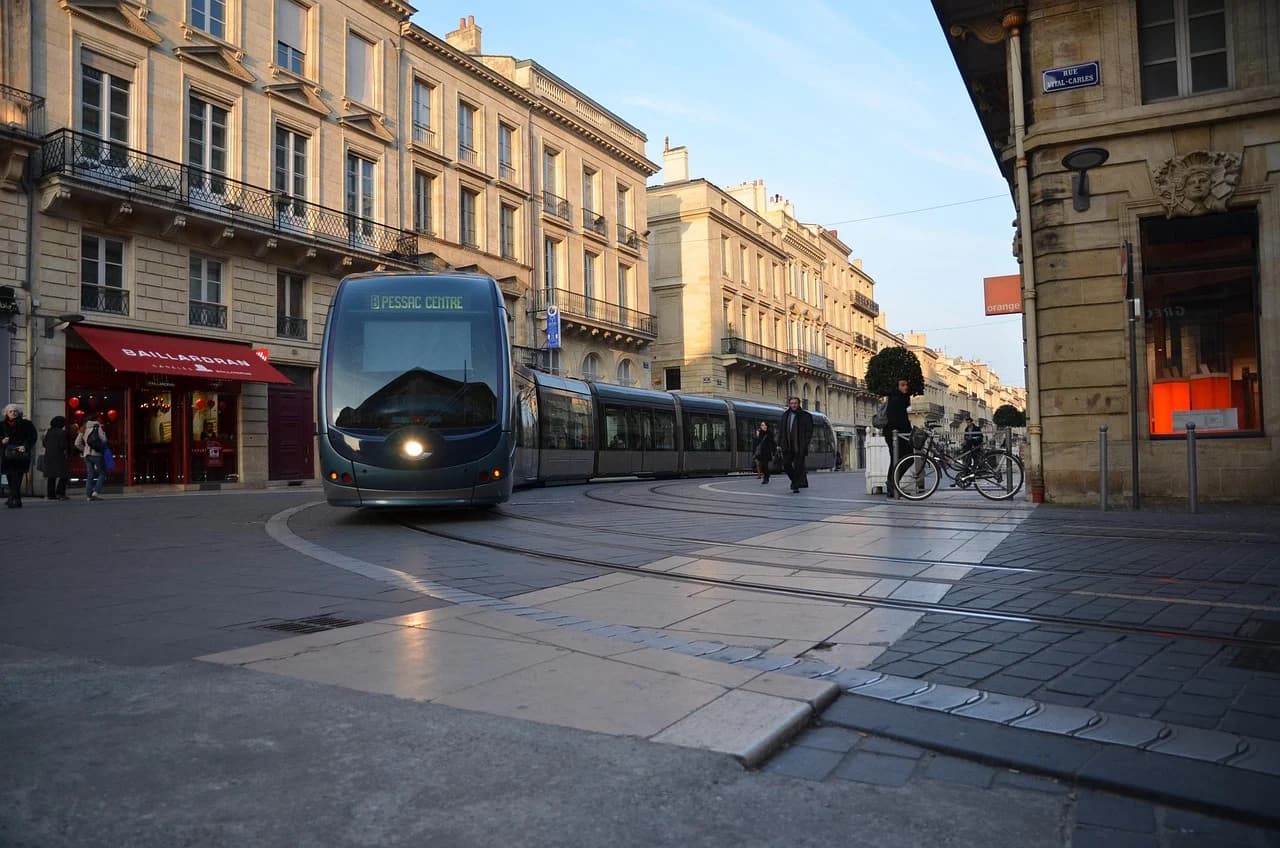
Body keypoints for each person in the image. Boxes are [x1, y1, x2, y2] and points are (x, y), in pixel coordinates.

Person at [1, 403, 38, 508]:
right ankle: (15, 498)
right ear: (6, 413)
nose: (13, 413)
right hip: (7, 455)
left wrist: (25, 446)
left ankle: (14, 499)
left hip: (21, 455)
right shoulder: (2, 425)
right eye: (11, 411)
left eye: (15, 411)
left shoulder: (26, 424)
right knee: (9, 477)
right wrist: (2, 441)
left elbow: (32, 437)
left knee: (17, 477)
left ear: (19, 412)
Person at [882, 378, 913, 498]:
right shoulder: (896, 399)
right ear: (897, 386)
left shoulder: (900, 398)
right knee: (904, 459)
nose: (906, 387)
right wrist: (907, 432)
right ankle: (892, 484)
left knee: (897, 460)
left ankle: (893, 484)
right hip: (895, 435)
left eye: (906, 385)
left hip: (898, 434)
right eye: (903, 385)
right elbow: (897, 420)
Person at [778, 397, 813, 494]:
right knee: (786, 465)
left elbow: (809, 431)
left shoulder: (806, 416)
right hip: (787, 446)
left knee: (798, 467)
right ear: (789, 404)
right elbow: (781, 430)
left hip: (799, 446)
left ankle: (795, 485)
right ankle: (795, 481)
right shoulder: (785, 415)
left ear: (799, 404)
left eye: (795, 403)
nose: (793, 405)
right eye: (792, 403)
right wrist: (780, 443)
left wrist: (805, 443)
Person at [75, 414, 108, 501]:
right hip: (96, 454)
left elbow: (77, 443)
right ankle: (95, 492)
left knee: (90, 475)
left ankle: (89, 495)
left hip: (87, 455)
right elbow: (104, 439)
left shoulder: (83, 428)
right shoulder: (98, 427)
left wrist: (84, 449)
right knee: (102, 473)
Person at [42, 415, 72, 501]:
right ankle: (60, 493)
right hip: (59, 456)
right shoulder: (62, 432)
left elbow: (44, 443)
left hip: (49, 455)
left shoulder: (48, 431)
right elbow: (63, 445)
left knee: (51, 476)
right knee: (63, 475)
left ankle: (50, 494)